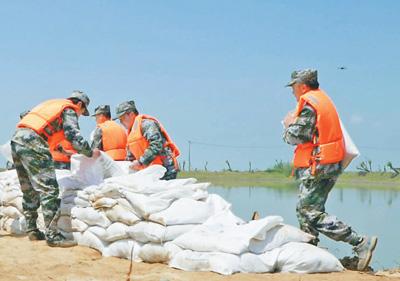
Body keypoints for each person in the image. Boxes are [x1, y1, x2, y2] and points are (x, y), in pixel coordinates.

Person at [282, 69, 377, 271]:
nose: (292, 92)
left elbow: (297, 136)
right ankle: (310, 253)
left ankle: (360, 242)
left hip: (319, 165)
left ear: (303, 86)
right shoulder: (322, 99)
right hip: (328, 164)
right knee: (304, 210)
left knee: (310, 211)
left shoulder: (309, 104)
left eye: (293, 87)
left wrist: (288, 125)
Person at [11, 90, 100, 247]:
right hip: (33, 141)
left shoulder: (52, 104)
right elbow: (74, 137)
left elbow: (47, 132)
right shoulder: (69, 109)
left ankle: (32, 230)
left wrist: (62, 150)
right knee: (50, 190)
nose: (79, 115)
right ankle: (53, 236)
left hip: (18, 138)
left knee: (29, 189)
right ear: (79, 104)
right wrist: (89, 152)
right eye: (82, 112)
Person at [114, 100, 180, 180]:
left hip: (165, 168)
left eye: (122, 119)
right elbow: (130, 156)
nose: (121, 122)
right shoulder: (131, 134)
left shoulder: (146, 124)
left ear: (131, 114)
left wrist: (140, 162)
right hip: (150, 170)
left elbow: (156, 145)